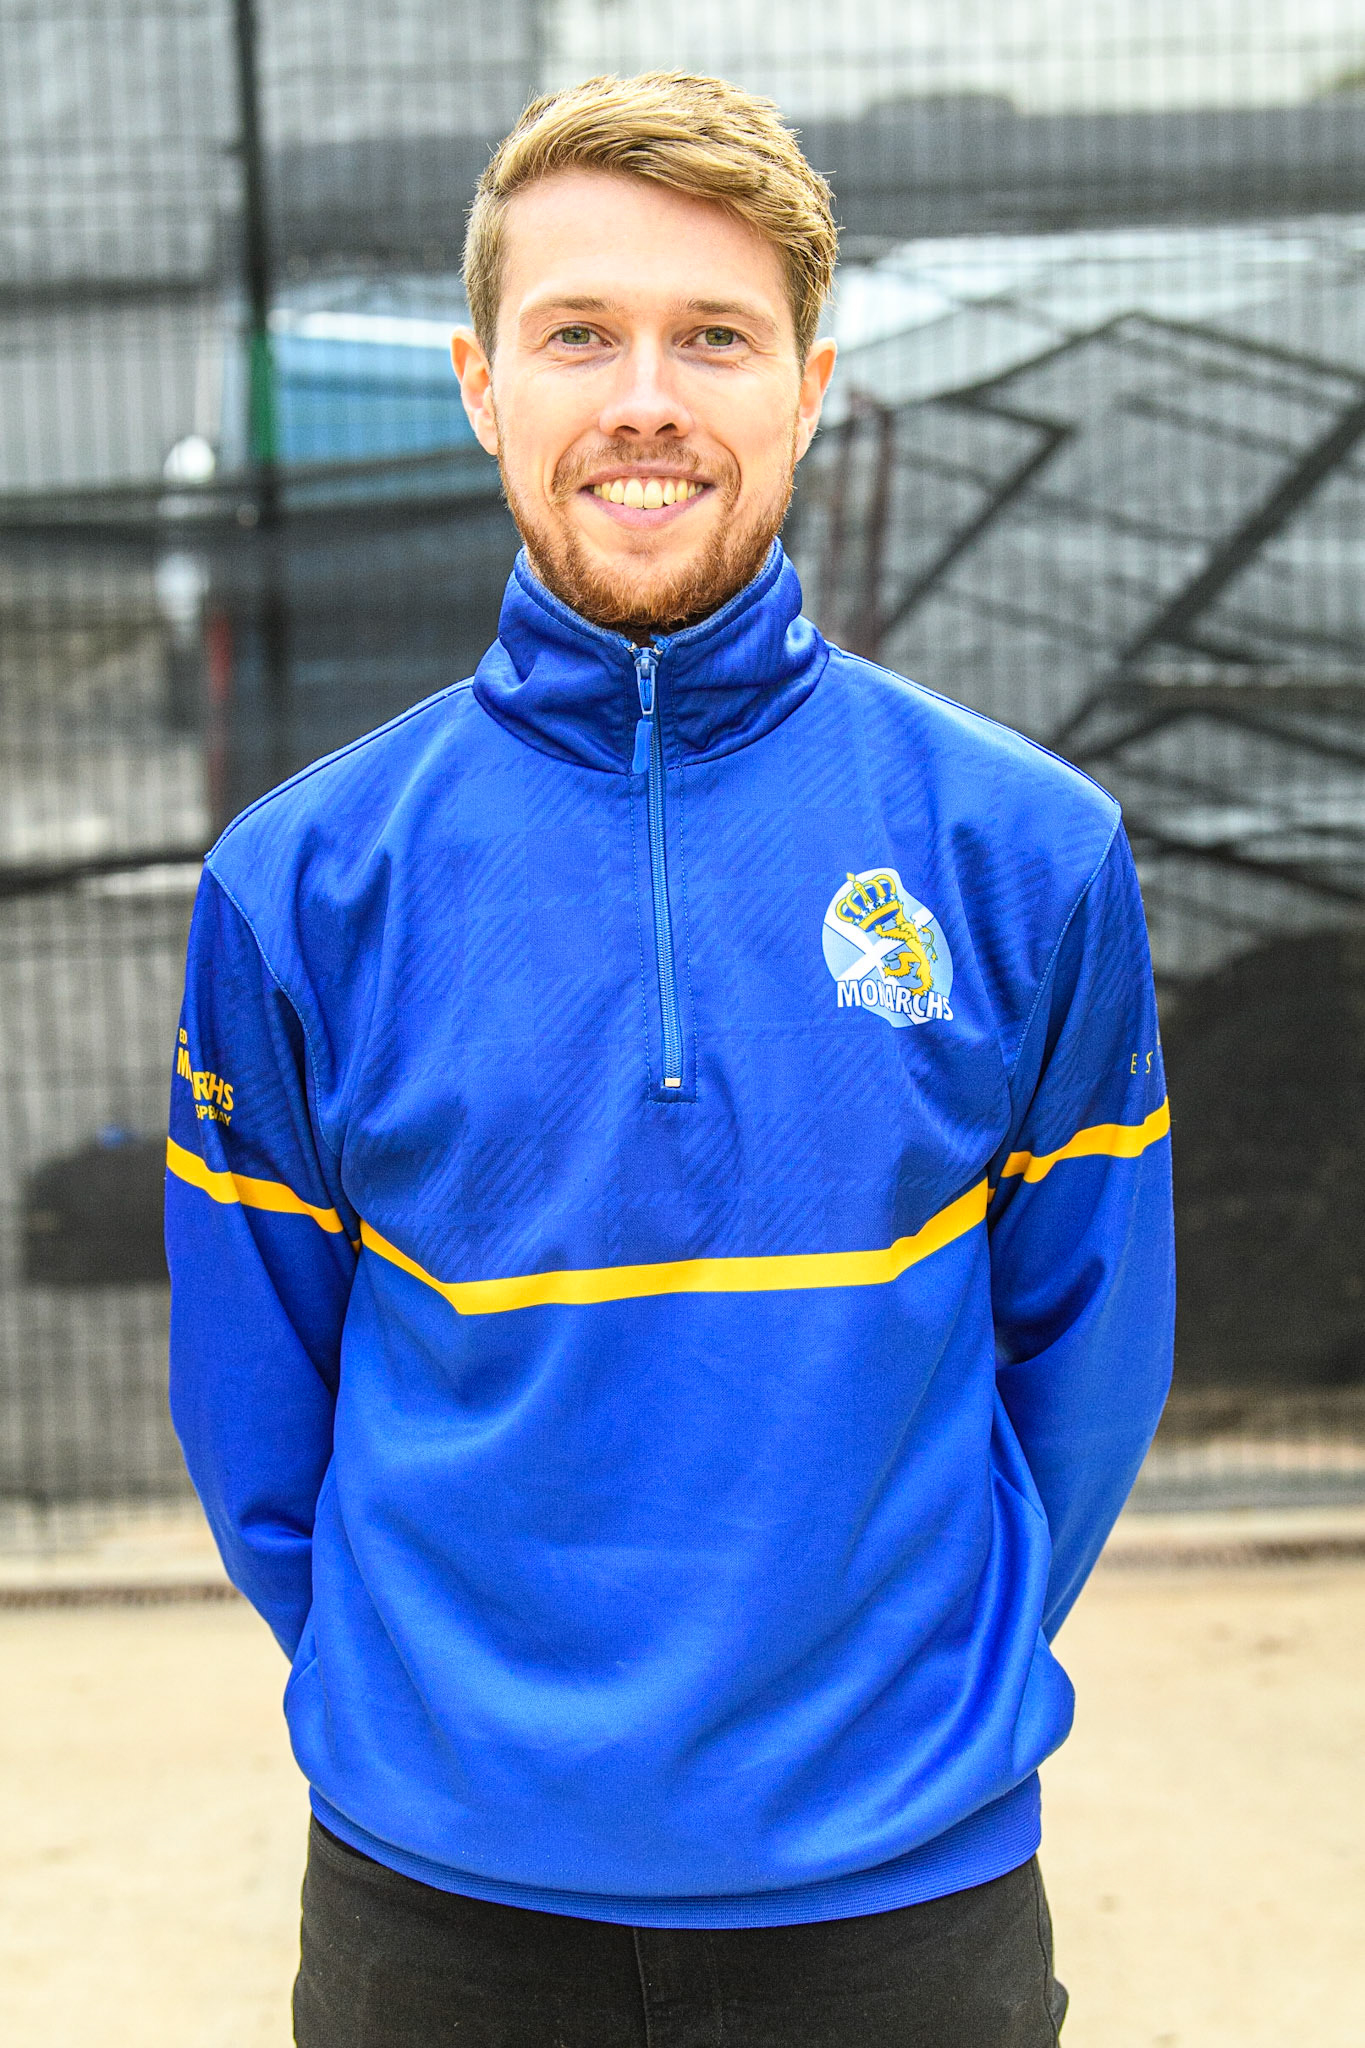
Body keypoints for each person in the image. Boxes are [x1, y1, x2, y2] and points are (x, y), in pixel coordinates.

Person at [166, 70, 1174, 2048]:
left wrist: (906, 1693)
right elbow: (255, 1414)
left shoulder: (1022, 852)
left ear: (809, 381)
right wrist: (446, 1723)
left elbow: (1086, 1354)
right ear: (480, 382)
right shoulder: (300, 884)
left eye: (712, 335)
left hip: (899, 1890)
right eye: (577, 335)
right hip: (439, 1899)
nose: (644, 397)